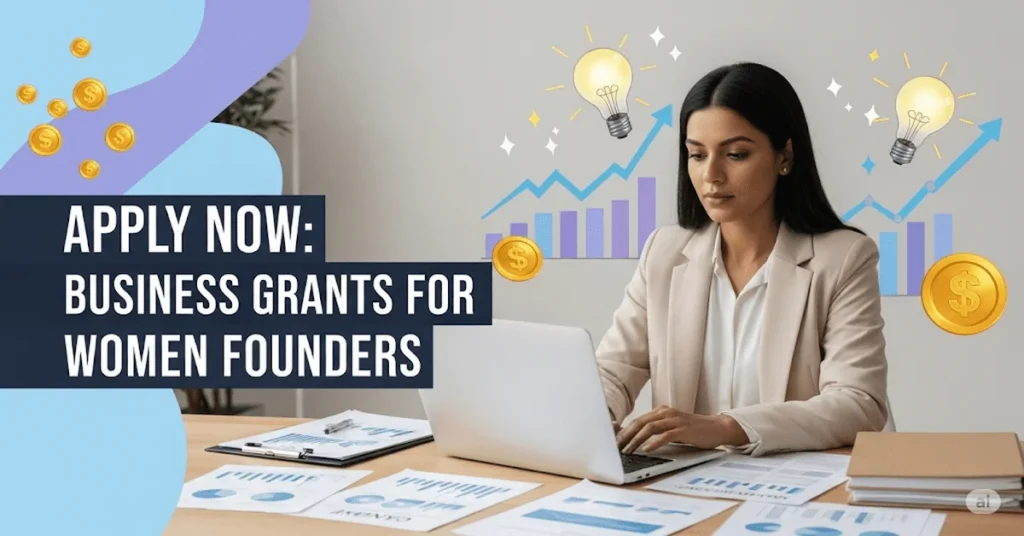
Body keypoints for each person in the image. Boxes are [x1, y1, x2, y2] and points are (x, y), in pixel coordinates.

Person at [598, 62, 890, 458]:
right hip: (679, 481)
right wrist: (595, 415)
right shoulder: (664, 252)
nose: (711, 175)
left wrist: (725, 427)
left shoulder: (843, 258)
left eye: (736, 154)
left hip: (790, 482)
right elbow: (613, 369)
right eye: (696, 154)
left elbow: (858, 404)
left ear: (785, 156)